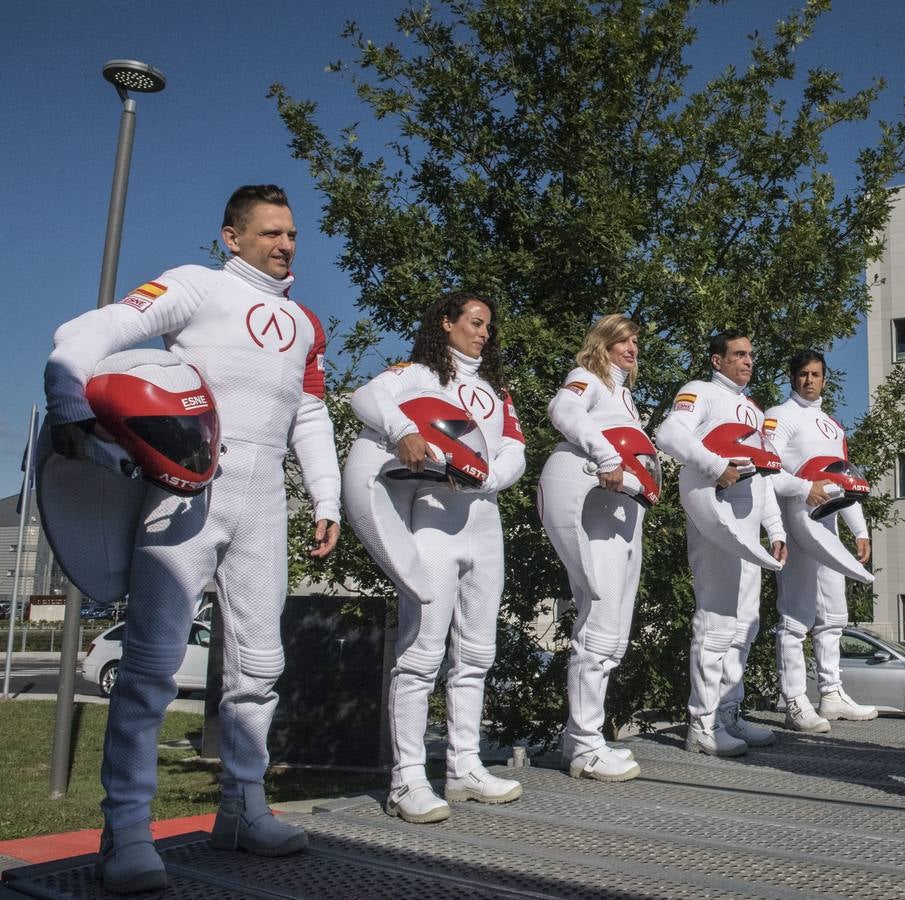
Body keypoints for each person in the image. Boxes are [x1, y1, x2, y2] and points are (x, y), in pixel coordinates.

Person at [43, 184, 341, 892]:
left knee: (260, 667)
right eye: (270, 232)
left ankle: (242, 808)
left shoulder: (303, 323)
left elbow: (309, 417)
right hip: (186, 493)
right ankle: (126, 832)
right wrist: (69, 406)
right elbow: (88, 332)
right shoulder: (194, 286)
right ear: (231, 238)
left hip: (266, 500)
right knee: (149, 669)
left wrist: (326, 497)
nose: (285, 244)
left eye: (292, 233)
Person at [345, 292, 528, 823]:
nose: (483, 333)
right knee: (422, 652)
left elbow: (515, 445)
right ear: (445, 323)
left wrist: (493, 475)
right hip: (431, 524)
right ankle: (406, 779)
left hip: (484, 524)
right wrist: (402, 430)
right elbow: (365, 397)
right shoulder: (419, 373)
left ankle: (465, 767)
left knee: (476, 653)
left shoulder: (495, 391)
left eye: (489, 326)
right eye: (475, 322)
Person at [656, 331, 786, 757]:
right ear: (717, 360)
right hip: (715, 515)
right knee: (715, 620)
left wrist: (776, 530)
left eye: (751, 354)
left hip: (749, 526)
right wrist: (715, 466)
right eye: (739, 354)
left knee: (744, 625)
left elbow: (763, 476)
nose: (748, 361)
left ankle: (728, 712)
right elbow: (670, 435)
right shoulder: (700, 392)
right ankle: (702, 724)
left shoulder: (752, 408)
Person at [539, 314, 651, 782]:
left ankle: (584, 735)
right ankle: (584, 744)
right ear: (602, 344)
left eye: (635, 341)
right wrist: (605, 454)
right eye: (621, 340)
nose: (630, 348)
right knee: (599, 621)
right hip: (598, 509)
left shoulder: (624, 394)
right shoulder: (588, 378)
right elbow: (561, 411)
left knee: (615, 633)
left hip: (625, 514)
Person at [764, 350, 876, 733]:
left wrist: (859, 530)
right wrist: (802, 487)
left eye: (815, 374)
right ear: (792, 378)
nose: (809, 381)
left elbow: (844, 482)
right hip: (795, 522)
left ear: (825, 379)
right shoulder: (778, 416)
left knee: (833, 615)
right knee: (795, 615)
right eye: (802, 374)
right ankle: (794, 700)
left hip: (827, 527)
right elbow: (766, 471)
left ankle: (831, 694)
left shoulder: (833, 426)